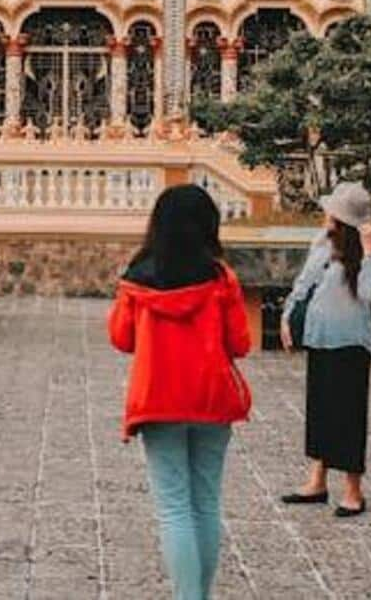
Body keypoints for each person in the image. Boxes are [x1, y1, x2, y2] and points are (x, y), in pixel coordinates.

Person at [107, 184, 252, 600]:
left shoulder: (138, 280)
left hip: (159, 399)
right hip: (211, 398)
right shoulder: (222, 278)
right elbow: (240, 343)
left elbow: (121, 338)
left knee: (174, 508)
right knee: (205, 503)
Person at [278, 181, 371, 517]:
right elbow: (304, 281)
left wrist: (369, 252)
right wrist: (287, 314)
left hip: (351, 341)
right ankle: (317, 479)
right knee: (320, 409)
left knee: (349, 414)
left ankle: (353, 488)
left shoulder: (368, 252)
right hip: (319, 335)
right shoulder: (322, 243)